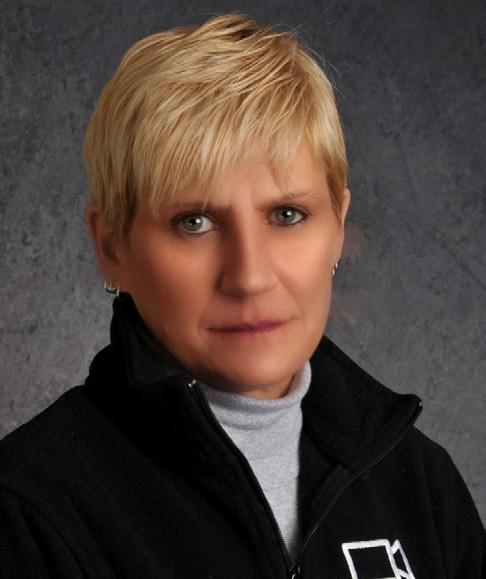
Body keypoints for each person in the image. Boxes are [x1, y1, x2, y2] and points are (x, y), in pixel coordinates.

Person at [0, 12, 484, 578]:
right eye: (194, 222)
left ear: (337, 227)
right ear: (112, 247)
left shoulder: (422, 488)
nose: (250, 277)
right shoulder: (28, 512)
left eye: (287, 215)